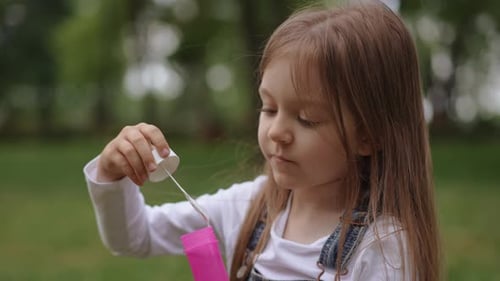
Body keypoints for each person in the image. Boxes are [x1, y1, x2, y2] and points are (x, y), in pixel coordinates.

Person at [84, 1, 441, 280]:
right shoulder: (249, 207)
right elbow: (135, 237)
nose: (276, 132)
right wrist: (112, 173)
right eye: (269, 108)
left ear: (368, 135)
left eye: (307, 119)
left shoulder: (382, 248)